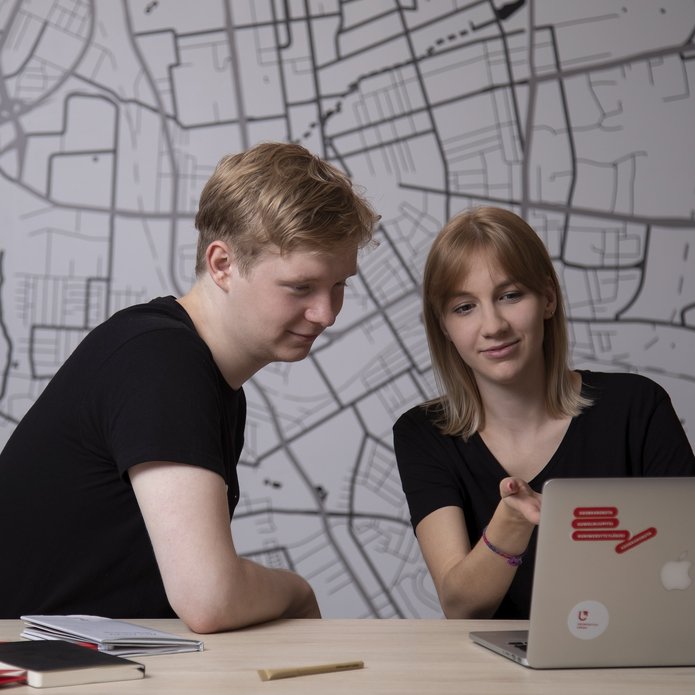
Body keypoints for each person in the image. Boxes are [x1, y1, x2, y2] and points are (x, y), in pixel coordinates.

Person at [0, 142, 379, 632]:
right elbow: (210, 598)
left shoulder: (199, 370)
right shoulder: (162, 362)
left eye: (339, 285)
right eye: (301, 287)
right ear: (221, 264)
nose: (326, 314)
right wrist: (297, 591)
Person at [393, 206, 695, 620]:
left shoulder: (638, 407)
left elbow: (686, 559)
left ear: (548, 299)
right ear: (443, 326)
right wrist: (511, 525)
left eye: (510, 295)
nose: (493, 325)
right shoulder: (423, 433)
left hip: (634, 660)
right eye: (465, 307)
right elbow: (461, 605)